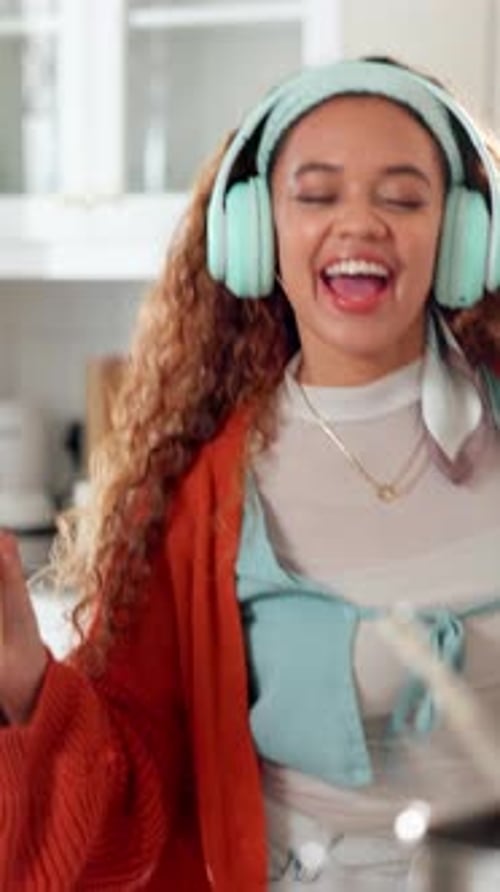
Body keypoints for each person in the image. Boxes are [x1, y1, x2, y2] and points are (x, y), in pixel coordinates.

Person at [0, 55, 499, 891]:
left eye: (404, 197)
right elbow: (128, 790)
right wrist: (23, 685)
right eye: (316, 194)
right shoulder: (201, 499)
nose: (361, 223)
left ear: (465, 234)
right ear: (252, 231)